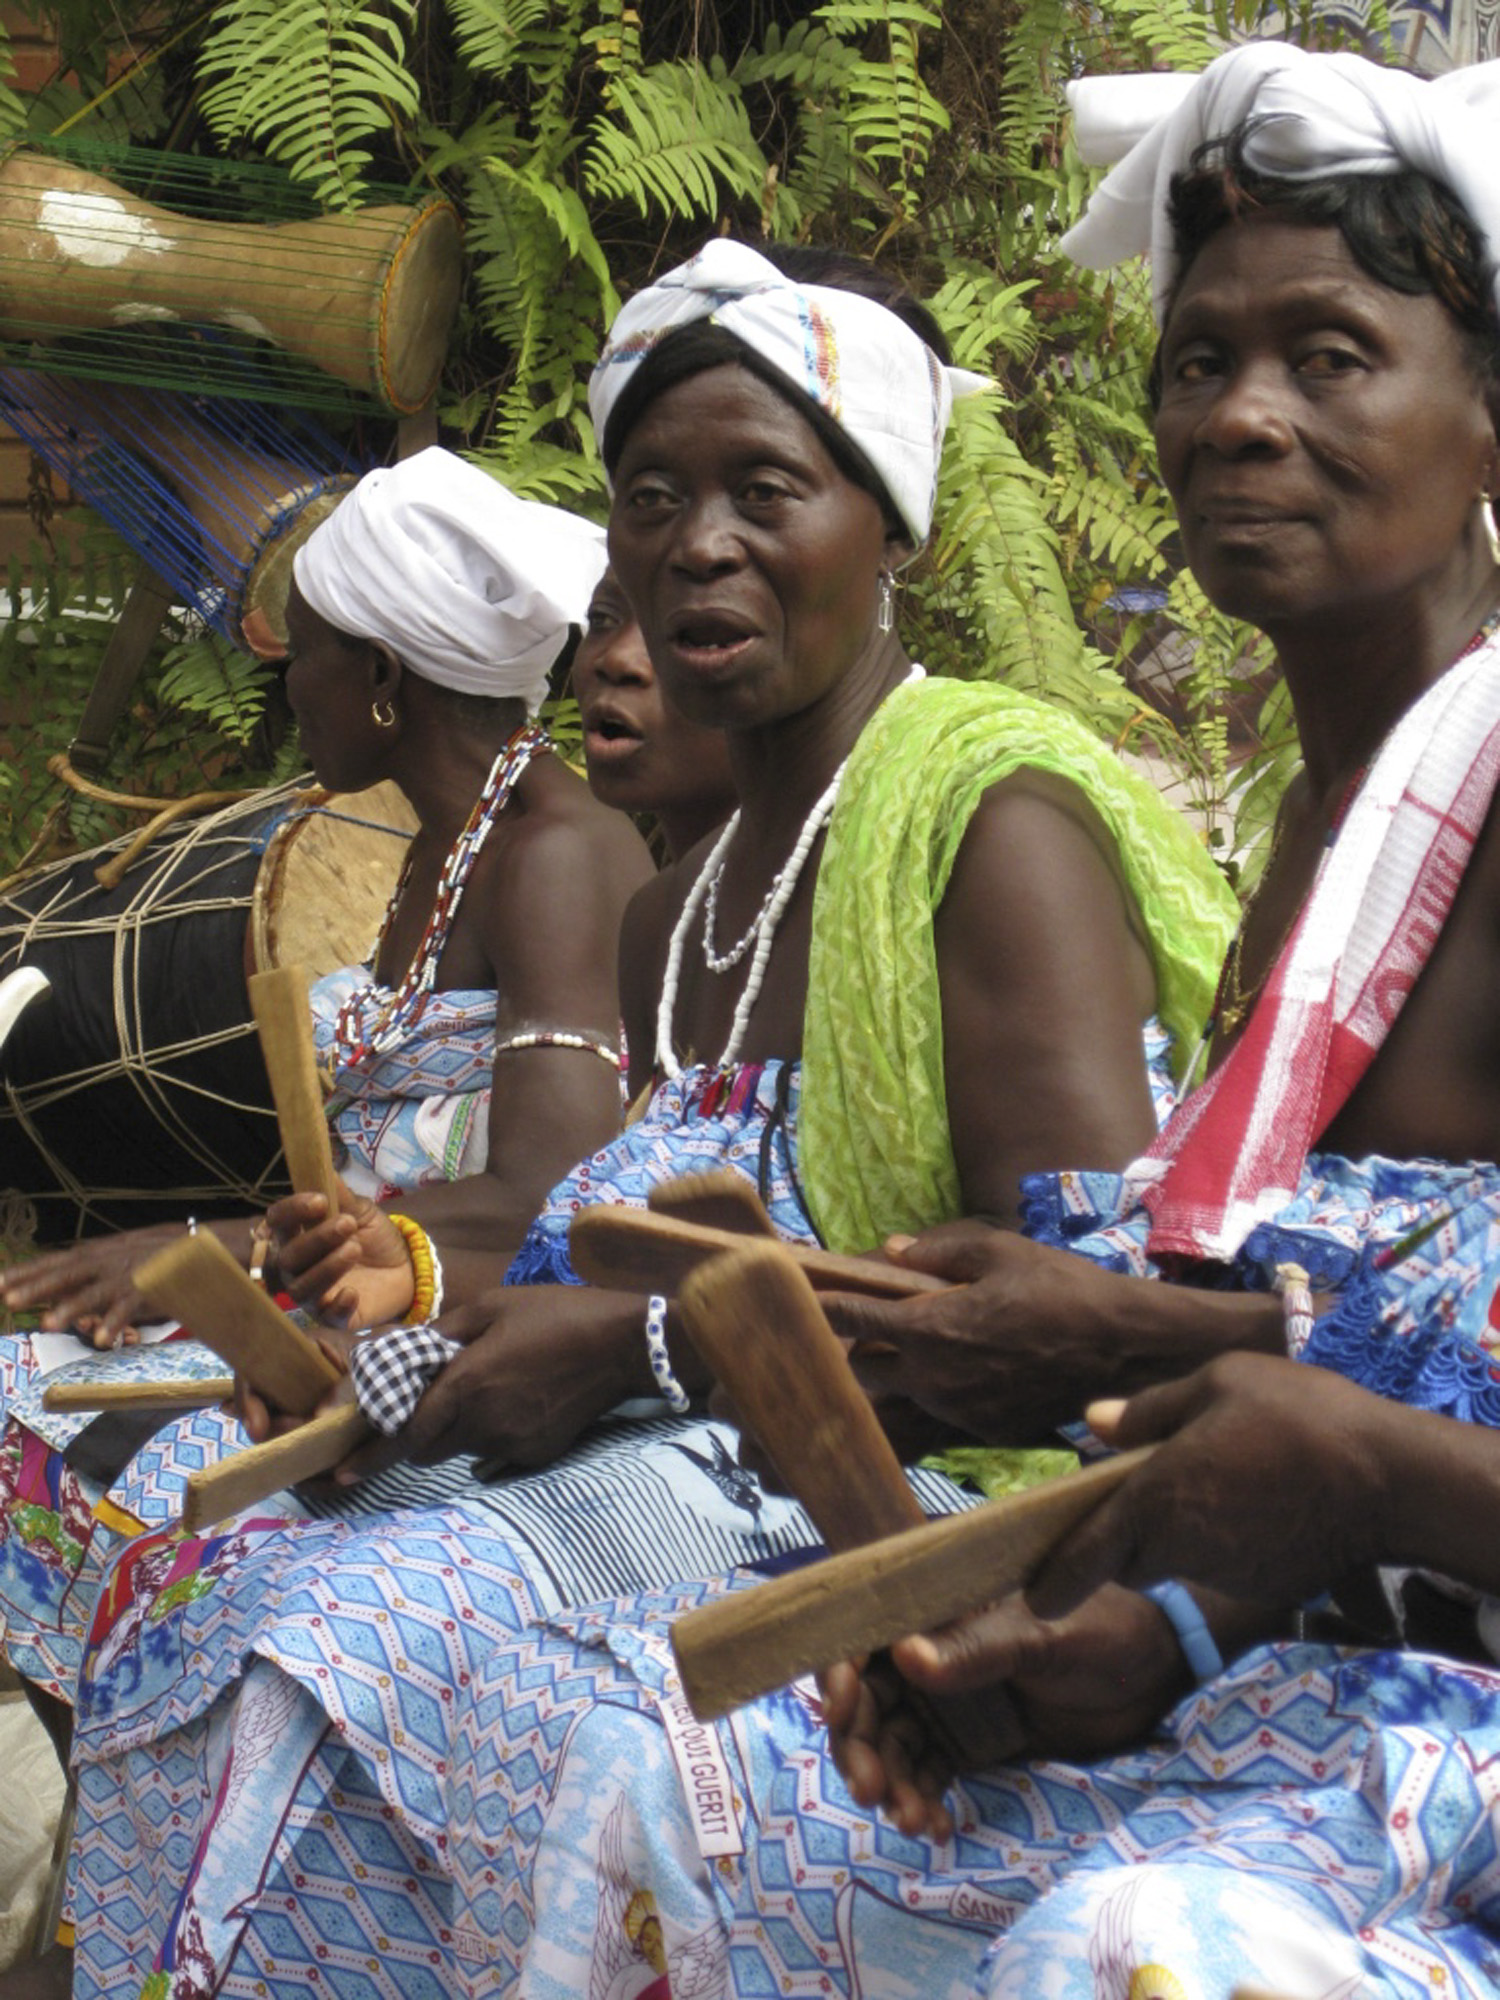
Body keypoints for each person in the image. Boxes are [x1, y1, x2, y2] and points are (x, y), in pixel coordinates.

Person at [432, 41, 1500, 2000]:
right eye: (1200, 359)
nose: (1241, 415)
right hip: (1318, 1685)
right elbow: (1302, 1396)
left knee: (1129, 1949)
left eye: (1332, 356)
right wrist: (1114, 1652)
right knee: (672, 1790)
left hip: (1441, 1760)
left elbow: (1362, 1430)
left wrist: (1338, 1460)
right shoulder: (1323, 856)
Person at [60, 243, 1236, 2000]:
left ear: (894, 526)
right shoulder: (674, 916)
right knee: (226, 1574)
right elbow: (613, 1263)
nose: (699, 544)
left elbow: (1072, 1336)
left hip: (926, 1492)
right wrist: (416, 1341)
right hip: (687, 1437)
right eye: (656, 498)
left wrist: (627, 1351)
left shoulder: (991, 826)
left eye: (768, 489)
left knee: (335, 1647)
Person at [0, 450, 652, 1701]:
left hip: (455, 1348)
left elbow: (554, 1193)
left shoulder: (556, 855)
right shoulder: (446, 844)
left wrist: (219, 1246)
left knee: (43, 1436)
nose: (287, 681)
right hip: (349, 1302)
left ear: (384, 677)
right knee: (33, 1388)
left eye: (302, 650)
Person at [572, 564, 737, 864]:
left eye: (695, 632)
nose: (618, 658)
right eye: (602, 618)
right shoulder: (669, 894)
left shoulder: (825, 889)